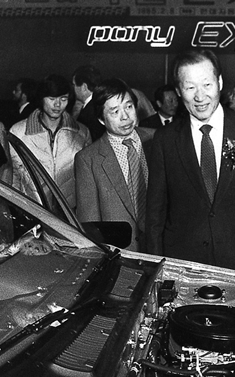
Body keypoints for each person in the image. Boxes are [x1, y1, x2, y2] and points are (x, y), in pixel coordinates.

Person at [146, 50, 235, 277]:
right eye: (190, 88)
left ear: (219, 82)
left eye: (207, 85)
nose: (200, 97)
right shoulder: (165, 139)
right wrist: (155, 266)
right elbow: (155, 211)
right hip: (183, 262)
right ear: (179, 91)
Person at [75, 79, 154, 252]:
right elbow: (90, 223)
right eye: (115, 111)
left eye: (129, 107)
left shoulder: (158, 140)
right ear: (101, 119)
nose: (125, 117)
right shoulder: (88, 160)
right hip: (121, 254)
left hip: (162, 250)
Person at [10, 74, 91, 207]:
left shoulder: (81, 133)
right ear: (41, 98)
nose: (57, 104)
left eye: (63, 99)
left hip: (70, 211)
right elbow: (14, 176)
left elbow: (87, 179)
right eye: (52, 98)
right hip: (33, 209)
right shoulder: (18, 132)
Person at [72, 65, 105, 141]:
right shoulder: (102, 103)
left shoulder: (88, 113)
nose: (73, 89)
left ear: (84, 87)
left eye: (74, 85)